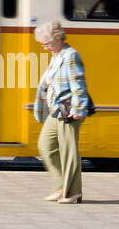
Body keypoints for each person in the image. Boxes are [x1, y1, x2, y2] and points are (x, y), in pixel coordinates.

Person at [33, 19, 95, 204]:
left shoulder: (70, 55)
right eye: (43, 44)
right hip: (57, 110)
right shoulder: (57, 56)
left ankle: (72, 192)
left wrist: (79, 108)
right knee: (45, 145)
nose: (45, 48)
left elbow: (78, 84)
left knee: (69, 151)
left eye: (47, 44)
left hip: (69, 110)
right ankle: (61, 186)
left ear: (58, 38)